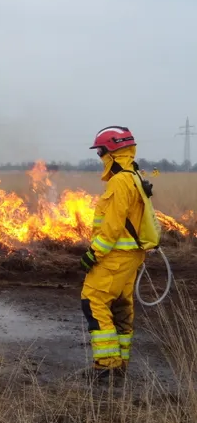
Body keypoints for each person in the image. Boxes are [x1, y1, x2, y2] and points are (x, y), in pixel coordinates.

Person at [79, 126, 147, 382]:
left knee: (93, 302)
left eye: (100, 151)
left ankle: (106, 367)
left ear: (111, 150)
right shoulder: (133, 176)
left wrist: (93, 253)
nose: (99, 156)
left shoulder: (120, 182)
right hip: (130, 257)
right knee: (120, 307)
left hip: (115, 257)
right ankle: (120, 366)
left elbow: (113, 226)